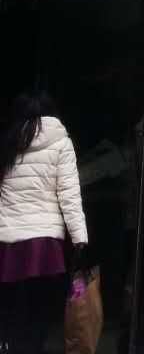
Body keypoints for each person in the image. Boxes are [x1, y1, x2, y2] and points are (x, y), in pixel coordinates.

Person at [0, 93, 88, 353]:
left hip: (8, 241)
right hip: (44, 243)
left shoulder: (8, 142)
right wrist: (80, 238)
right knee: (40, 308)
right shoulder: (61, 142)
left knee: (12, 307)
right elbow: (69, 195)